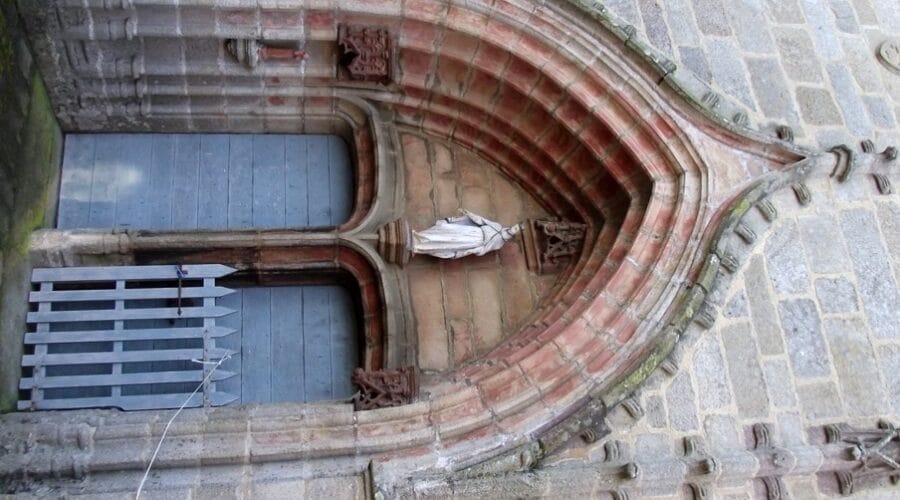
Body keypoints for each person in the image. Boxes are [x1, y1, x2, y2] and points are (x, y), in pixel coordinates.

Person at [412, 210, 521, 259]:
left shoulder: (499, 244)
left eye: (515, 230)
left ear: (512, 236)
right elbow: (481, 221)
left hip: (471, 242)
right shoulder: (497, 226)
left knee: (445, 244)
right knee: (443, 230)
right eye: (515, 227)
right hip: (469, 231)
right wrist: (469, 214)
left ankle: (419, 247)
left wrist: (470, 251)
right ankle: (419, 236)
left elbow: (483, 249)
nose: (513, 229)